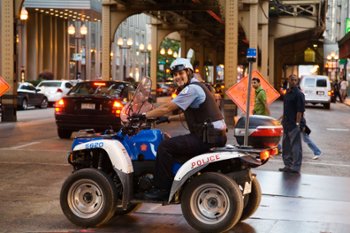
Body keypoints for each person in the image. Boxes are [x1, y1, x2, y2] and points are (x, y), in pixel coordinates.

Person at [137, 58, 227, 200]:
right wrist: (168, 119)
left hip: (207, 138)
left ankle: (162, 189)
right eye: (175, 75)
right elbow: (189, 116)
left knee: (165, 147)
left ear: (189, 72)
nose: (177, 77)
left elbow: (168, 107)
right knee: (176, 145)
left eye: (180, 73)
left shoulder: (192, 89)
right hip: (214, 135)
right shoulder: (200, 86)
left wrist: (143, 116)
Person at [279, 74, 305, 174]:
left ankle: (296, 167)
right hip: (286, 123)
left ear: (297, 81)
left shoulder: (299, 94)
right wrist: (281, 120)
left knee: (296, 147)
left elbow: (300, 111)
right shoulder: (287, 93)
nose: (293, 81)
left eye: (295, 80)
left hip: (294, 125)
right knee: (286, 146)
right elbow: (287, 109)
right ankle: (287, 165)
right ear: (288, 80)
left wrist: (298, 124)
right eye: (292, 80)